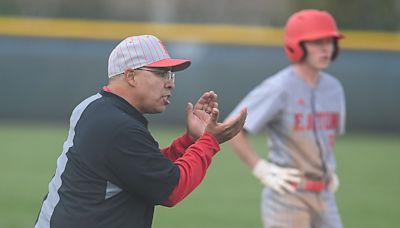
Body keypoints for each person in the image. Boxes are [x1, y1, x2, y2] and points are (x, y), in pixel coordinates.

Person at [35, 34, 247, 228]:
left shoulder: (96, 107)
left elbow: (141, 167)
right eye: (161, 73)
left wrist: (190, 141)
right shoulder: (117, 126)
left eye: (171, 75)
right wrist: (209, 142)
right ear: (130, 76)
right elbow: (172, 189)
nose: (170, 84)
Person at [227, 9, 346, 228]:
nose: (325, 48)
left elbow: (330, 137)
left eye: (329, 41)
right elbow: (232, 127)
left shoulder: (334, 89)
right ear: (297, 45)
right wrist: (259, 168)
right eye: (316, 42)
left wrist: (327, 169)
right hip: (287, 195)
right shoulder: (279, 87)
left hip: (325, 194)